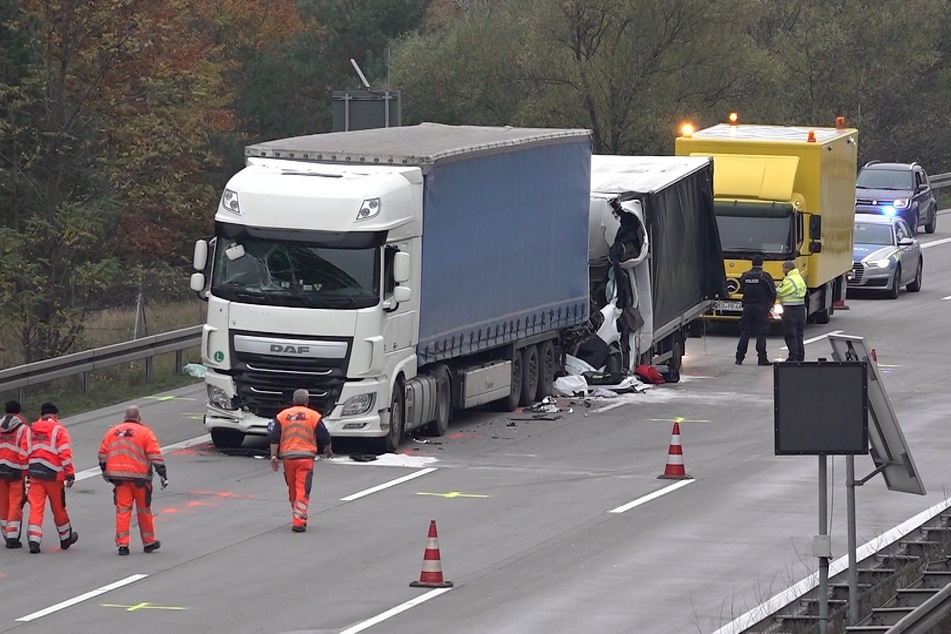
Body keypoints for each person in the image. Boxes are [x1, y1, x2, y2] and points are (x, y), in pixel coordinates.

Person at [98, 405, 168, 555]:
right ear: (139, 418)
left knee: (122, 511)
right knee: (144, 510)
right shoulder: (145, 432)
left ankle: (123, 545)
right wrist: (162, 474)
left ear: (125, 418)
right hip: (141, 479)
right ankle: (149, 543)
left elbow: (102, 454)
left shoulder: (113, 431)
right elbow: (154, 454)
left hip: (120, 479)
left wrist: (105, 471)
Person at [268, 389, 332, 533]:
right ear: (307, 401)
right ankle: (299, 520)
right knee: (302, 489)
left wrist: (273, 456)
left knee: (292, 489)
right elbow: (324, 435)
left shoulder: (282, 416)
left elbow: (274, 437)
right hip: (305, 458)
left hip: (288, 458)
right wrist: (328, 449)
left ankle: (298, 514)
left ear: (293, 400)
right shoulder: (313, 416)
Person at [26, 402, 78, 553]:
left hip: (35, 474)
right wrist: (69, 473)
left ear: (41, 414)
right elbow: (64, 453)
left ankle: (34, 540)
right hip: (54, 476)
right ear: (55, 415)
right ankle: (65, 538)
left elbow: (25, 451)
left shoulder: (31, 429)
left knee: (36, 507)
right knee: (59, 508)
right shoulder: (58, 430)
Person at [735, 255, 776, 366]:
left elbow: (743, 289)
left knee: (745, 332)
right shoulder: (765, 277)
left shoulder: (745, 276)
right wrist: (769, 305)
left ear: (752, 263)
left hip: (747, 307)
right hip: (761, 308)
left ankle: (739, 358)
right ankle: (762, 358)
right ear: (762, 263)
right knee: (761, 333)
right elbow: (772, 292)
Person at [0, 400, 30, 548]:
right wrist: (26, 471)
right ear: (19, 412)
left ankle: (6, 532)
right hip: (16, 470)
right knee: (15, 503)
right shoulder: (23, 429)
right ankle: (12, 536)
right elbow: (25, 451)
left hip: (0, 469)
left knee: (3, 503)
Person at [777, 260, 807, 362]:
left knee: (790, 334)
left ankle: (793, 356)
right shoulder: (798, 278)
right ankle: (800, 356)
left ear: (787, 269)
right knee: (799, 334)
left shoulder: (790, 280)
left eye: (783, 268)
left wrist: (772, 291)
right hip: (800, 309)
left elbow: (781, 292)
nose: (782, 270)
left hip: (790, 309)